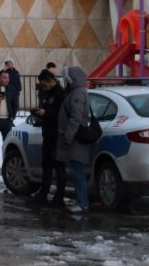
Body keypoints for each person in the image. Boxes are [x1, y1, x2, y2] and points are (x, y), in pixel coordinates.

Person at [57, 66, 91, 213]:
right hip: (74, 138)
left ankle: (82, 203)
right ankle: (81, 201)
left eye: (66, 78)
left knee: (78, 172)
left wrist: (68, 136)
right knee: (77, 172)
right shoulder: (77, 92)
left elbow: (76, 117)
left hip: (75, 140)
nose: (65, 80)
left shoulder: (77, 94)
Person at [31, 70, 67, 206]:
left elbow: (61, 115)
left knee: (58, 166)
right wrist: (39, 111)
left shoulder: (60, 94)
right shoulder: (49, 93)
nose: (43, 88)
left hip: (57, 134)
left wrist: (46, 113)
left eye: (44, 85)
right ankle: (43, 193)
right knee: (46, 165)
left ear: (51, 81)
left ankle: (59, 196)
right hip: (48, 134)